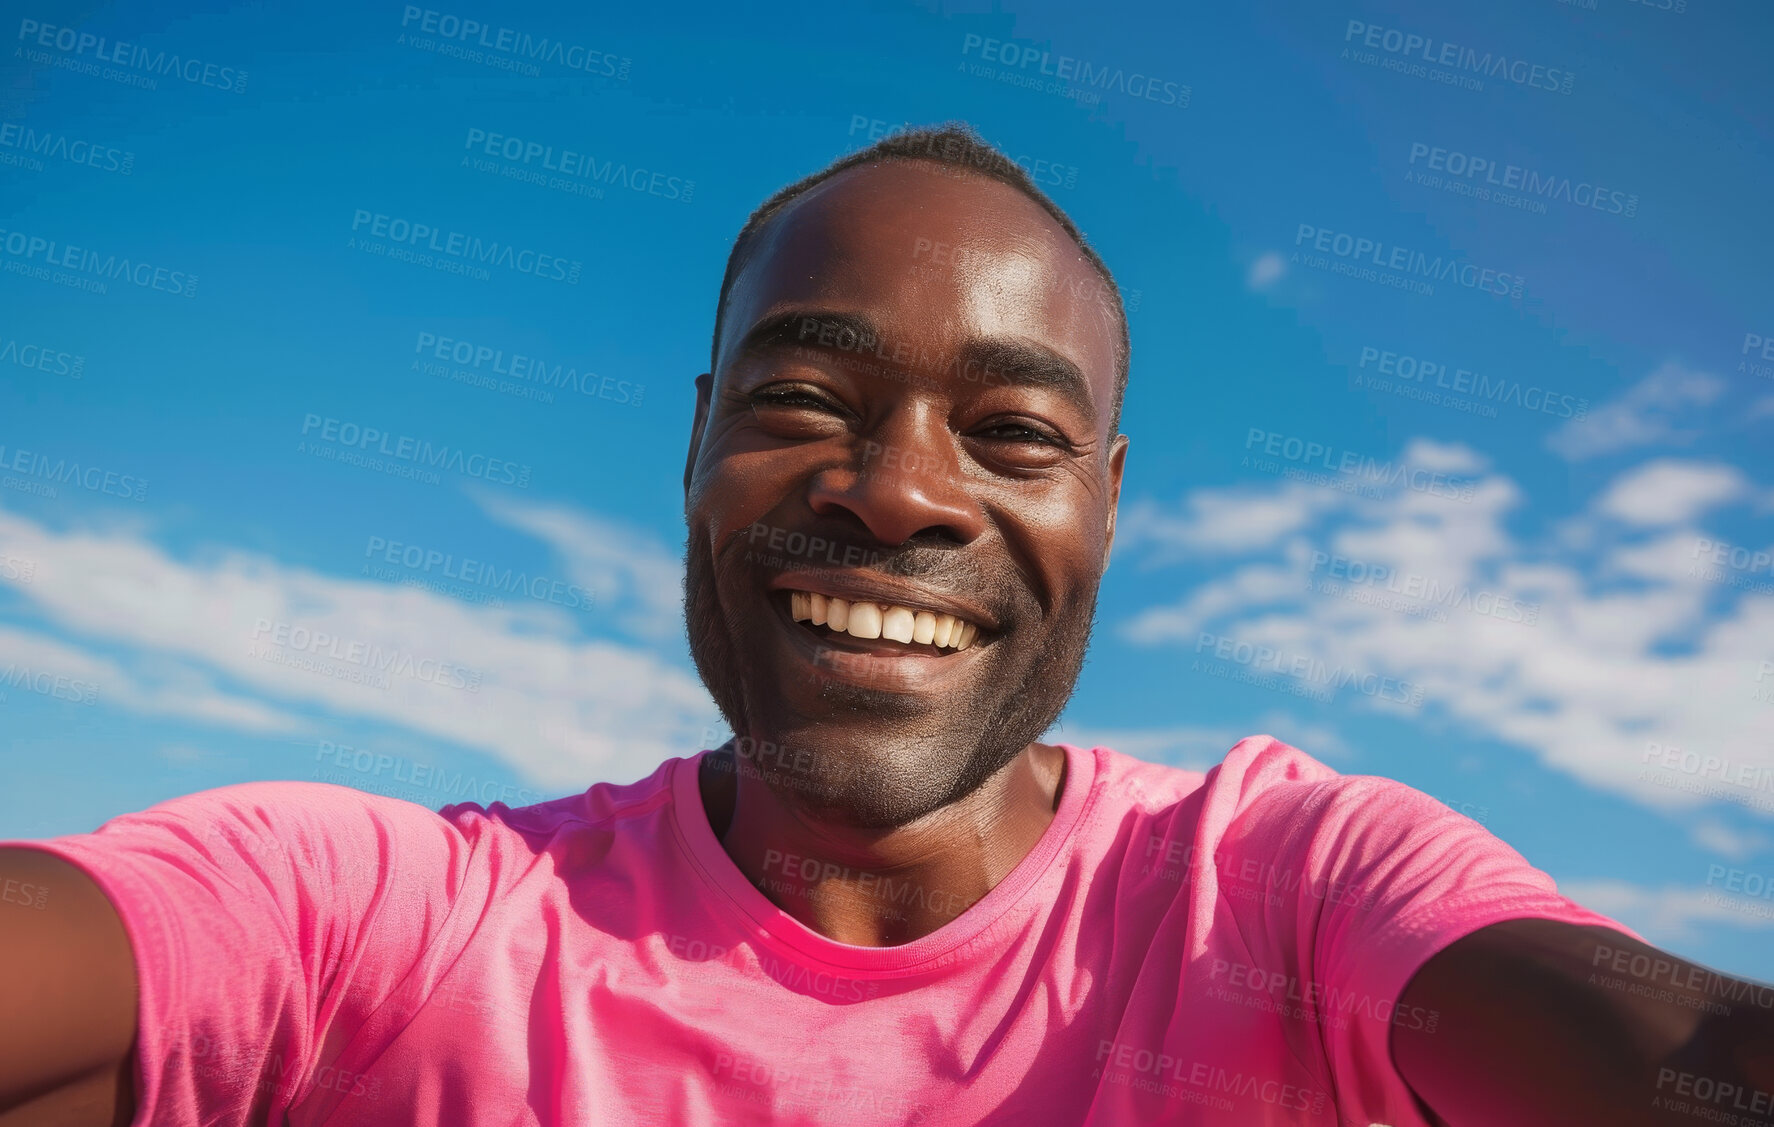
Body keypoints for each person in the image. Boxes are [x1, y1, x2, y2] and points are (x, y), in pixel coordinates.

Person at [1, 121, 1768, 1127]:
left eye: (1011, 434)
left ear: (1105, 509)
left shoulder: (1287, 891)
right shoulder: (390, 922)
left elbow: (1662, 1055)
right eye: (800, 398)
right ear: (693, 440)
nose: (901, 493)